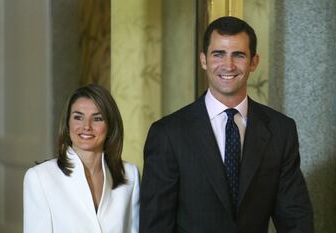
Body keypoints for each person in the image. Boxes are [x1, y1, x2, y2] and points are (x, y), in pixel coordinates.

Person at [140, 16, 313, 233]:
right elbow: (155, 225)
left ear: (254, 62)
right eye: (218, 54)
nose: (228, 65)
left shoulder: (281, 130)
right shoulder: (168, 133)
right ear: (203, 60)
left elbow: (295, 218)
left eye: (238, 55)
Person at [23, 84, 140, 233]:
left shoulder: (130, 175)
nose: (86, 126)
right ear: (68, 123)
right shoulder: (39, 177)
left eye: (97, 118)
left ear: (110, 125)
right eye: (78, 117)